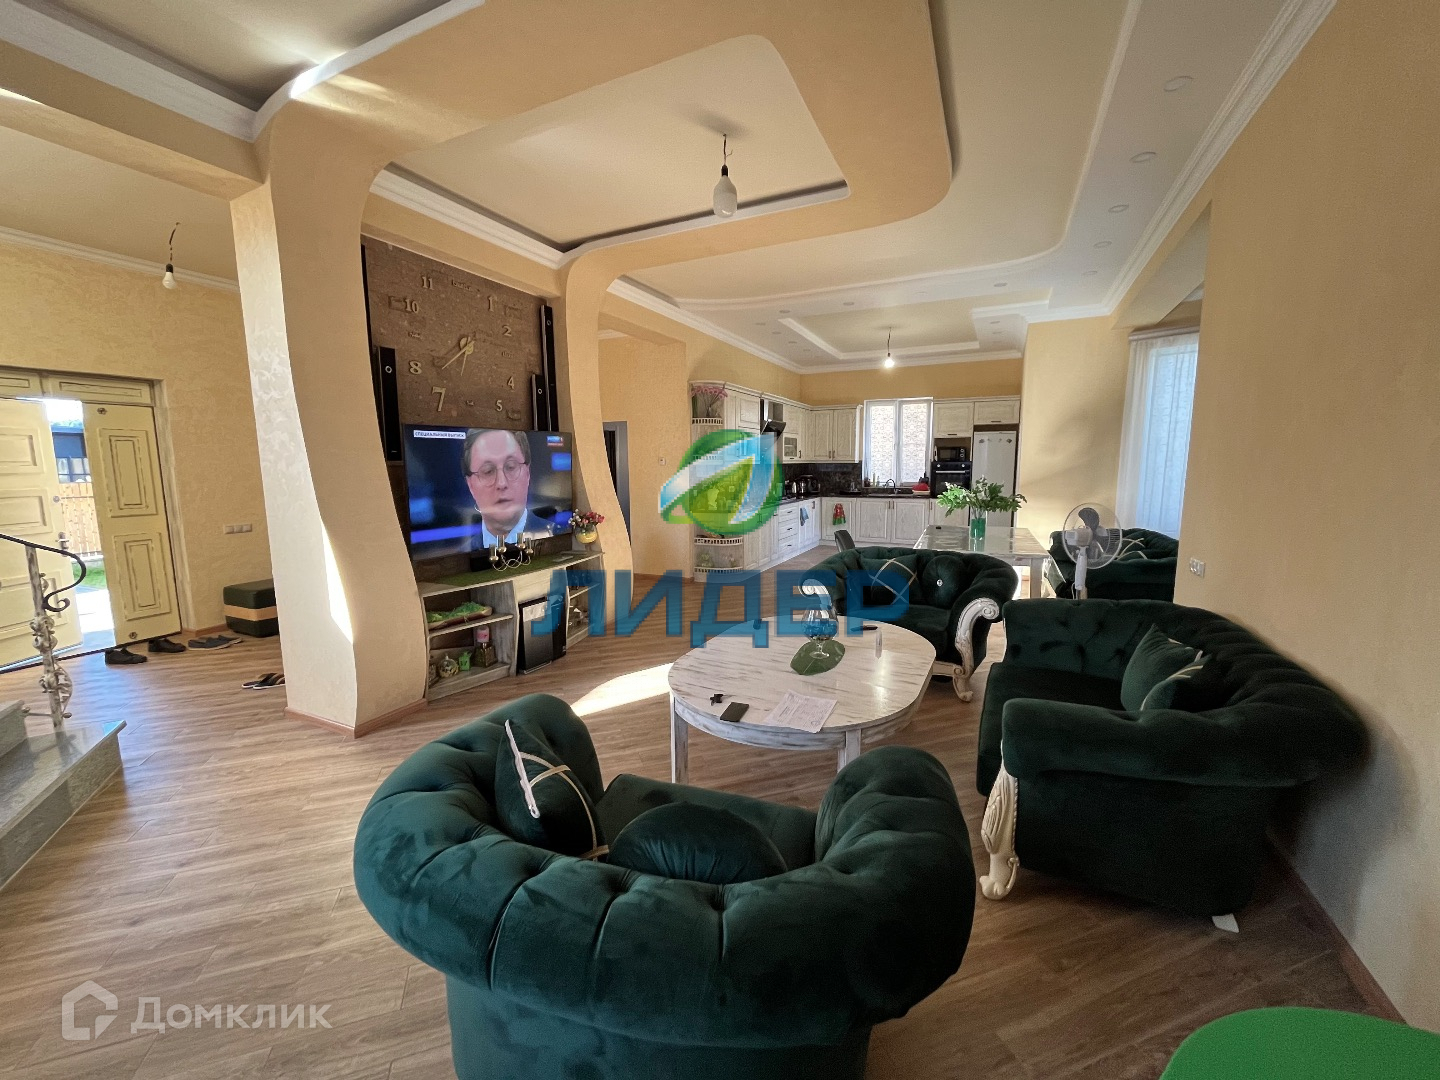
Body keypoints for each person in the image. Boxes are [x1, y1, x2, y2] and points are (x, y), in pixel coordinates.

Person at [462, 428, 552, 547]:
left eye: (510, 467)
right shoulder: (461, 553)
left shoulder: (558, 536)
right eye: (488, 471)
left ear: (527, 473)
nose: (501, 483)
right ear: (471, 485)